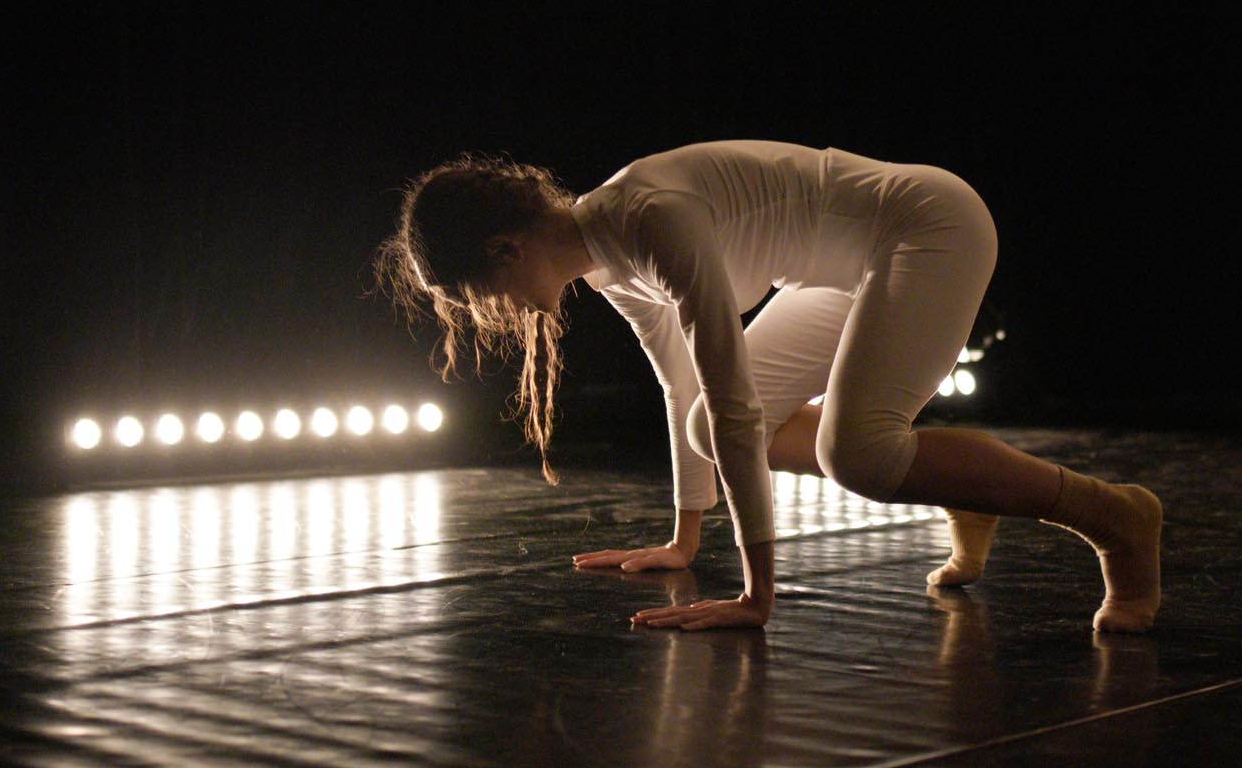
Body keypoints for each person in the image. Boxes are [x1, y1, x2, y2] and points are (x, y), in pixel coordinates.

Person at [374, 141, 1162, 634]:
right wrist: (684, 539)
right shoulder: (607, 263)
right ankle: (966, 486)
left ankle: (1116, 518)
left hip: (928, 229)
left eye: (476, 296)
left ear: (505, 249)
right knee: (707, 425)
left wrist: (758, 596)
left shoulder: (649, 219)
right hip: (844, 272)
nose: (495, 313)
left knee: (857, 454)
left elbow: (734, 402)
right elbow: (684, 389)